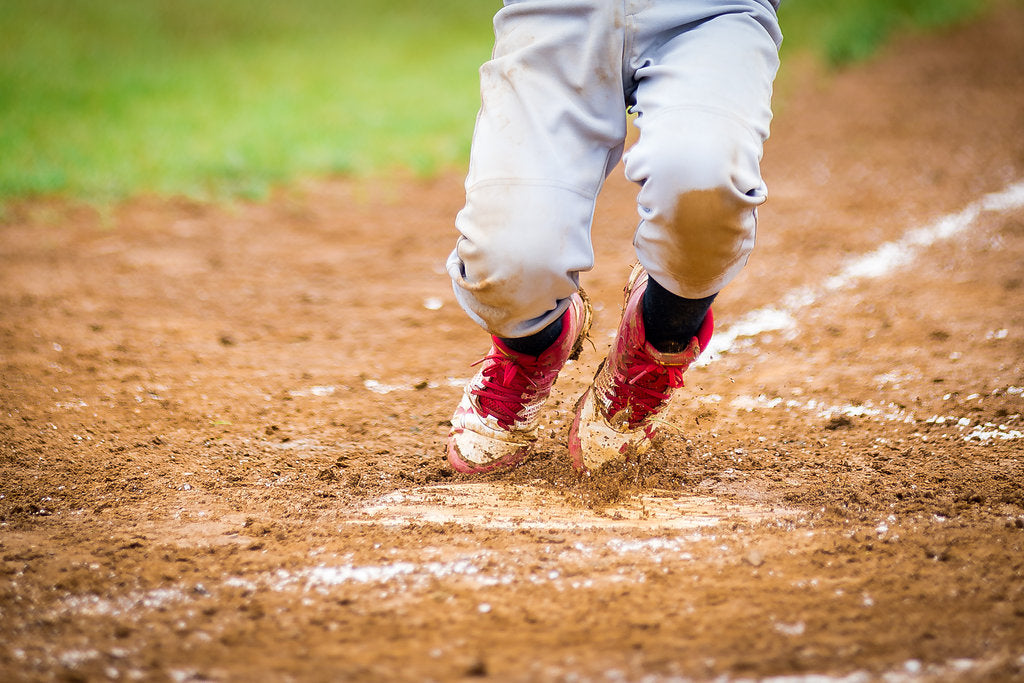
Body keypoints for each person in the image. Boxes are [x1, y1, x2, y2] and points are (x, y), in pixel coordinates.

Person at [445, 0, 782, 474]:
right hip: (555, 14)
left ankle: (657, 344)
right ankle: (532, 346)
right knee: (508, 257)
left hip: (709, 12)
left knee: (705, 182)